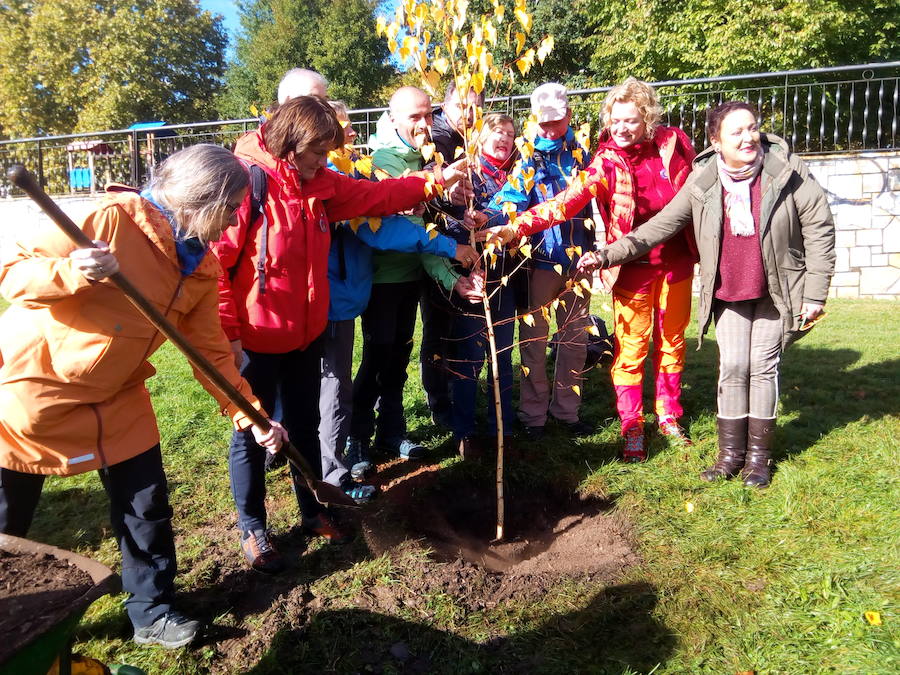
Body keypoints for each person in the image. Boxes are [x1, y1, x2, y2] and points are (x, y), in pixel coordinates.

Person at [0, 144, 286, 648]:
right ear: (200, 202)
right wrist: (72, 272)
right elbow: (11, 274)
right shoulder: (107, 219)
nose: (232, 225)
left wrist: (253, 416)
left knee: (146, 504)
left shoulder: (200, 267)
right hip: (39, 388)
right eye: (231, 210)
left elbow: (212, 356)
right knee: (9, 521)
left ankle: (152, 611)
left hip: (118, 393)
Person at [214, 96, 471, 573]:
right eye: (317, 152)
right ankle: (253, 528)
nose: (325, 161)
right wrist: (229, 334)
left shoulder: (319, 183)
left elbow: (375, 198)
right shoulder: (248, 183)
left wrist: (433, 181)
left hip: (305, 334)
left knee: (307, 426)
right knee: (252, 432)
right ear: (292, 142)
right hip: (254, 339)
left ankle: (312, 510)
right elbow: (217, 268)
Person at [574, 101, 834, 486]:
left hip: (777, 291)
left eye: (752, 128)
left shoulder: (786, 170)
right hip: (730, 289)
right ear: (716, 140)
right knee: (732, 368)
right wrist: (606, 254)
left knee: (761, 369)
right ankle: (730, 455)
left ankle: (758, 460)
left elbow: (819, 227)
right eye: (737, 132)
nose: (749, 137)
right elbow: (659, 226)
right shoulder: (705, 179)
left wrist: (815, 293)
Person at [487, 78, 698, 461]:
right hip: (624, 265)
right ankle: (631, 425)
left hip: (675, 263)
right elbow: (564, 203)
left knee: (671, 343)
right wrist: (512, 227)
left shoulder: (673, 146)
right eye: (615, 120)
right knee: (629, 348)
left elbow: (700, 189)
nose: (621, 128)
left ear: (647, 118)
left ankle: (668, 415)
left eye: (630, 120)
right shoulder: (600, 160)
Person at [319, 101, 474, 484]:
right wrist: (446, 248)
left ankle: (393, 429)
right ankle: (358, 436)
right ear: (394, 119)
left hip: (412, 274)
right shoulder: (381, 163)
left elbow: (428, 221)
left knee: (399, 354)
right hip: (382, 278)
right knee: (377, 356)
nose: (424, 124)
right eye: (413, 116)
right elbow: (384, 230)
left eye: (427, 116)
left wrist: (454, 210)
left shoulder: (426, 158)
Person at [486, 82, 594, 440]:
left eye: (557, 121)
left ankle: (568, 412)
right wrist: (488, 219)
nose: (551, 129)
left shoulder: (584, 154)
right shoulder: (528, 155)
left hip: (580, 262)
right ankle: (533, 416)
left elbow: (597, 204)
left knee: (575, 341)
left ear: (569, 115)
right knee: (534, 342)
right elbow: (510, 198)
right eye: (544, 122)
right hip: (543, 262)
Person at [445, 113, 519, 458]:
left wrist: (496, 221)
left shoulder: (518, 176)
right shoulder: (467, 175)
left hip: (506, 276)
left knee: (502, 356)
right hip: (473, 278)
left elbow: (519, 214)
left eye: (510, 134)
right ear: (480, 137)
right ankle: (464, 430)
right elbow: (446, 223)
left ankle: (501, 425)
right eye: (497, 133)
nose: (504, 139)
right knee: (470, 358)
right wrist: (469, 226)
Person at [421, 81, 485, 428]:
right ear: (445, 106)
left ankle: (458, 395)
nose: (468, 113)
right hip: (437, 246)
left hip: (463, 244)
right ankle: (440, 401)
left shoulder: (473, 137)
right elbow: (429, 194)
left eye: (475, 107)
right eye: (462, 105)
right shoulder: (436, 140)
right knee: (438, 325)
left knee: (459, 324)